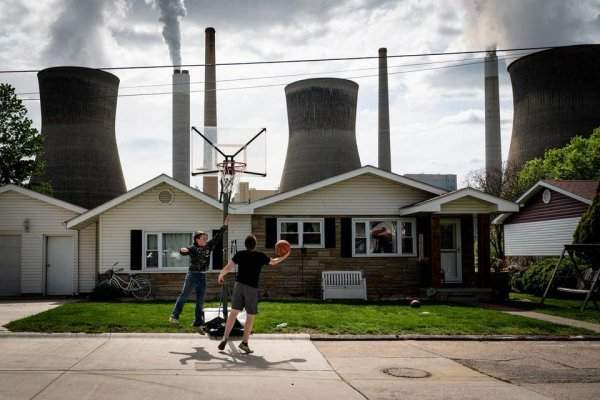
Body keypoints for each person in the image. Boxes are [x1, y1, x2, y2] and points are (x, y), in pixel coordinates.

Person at [216, 234, 290, 354]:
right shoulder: (260, 256)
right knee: (250, 316)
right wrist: (285, 255)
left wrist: (221, 275)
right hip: (251, 288)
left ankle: (225, 338)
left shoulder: (240, 254)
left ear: (245, 244)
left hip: (239, 286)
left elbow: (228, 267)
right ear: (255, 244)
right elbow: (274, 262)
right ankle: (244, 343)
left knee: (233, 312)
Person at [169, 216, 230, 332]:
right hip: (192, 275)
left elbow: (218, 237)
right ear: (197, 239)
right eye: (203, 238)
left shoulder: (209, 246)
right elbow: (183, 251)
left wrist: (225, 225)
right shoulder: (193, 248)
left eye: (206, 238)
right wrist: (182, 250)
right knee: (184, 296)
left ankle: (197, 322)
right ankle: (174, 316)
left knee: (200, 300)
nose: (206, 239)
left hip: (202, 276)